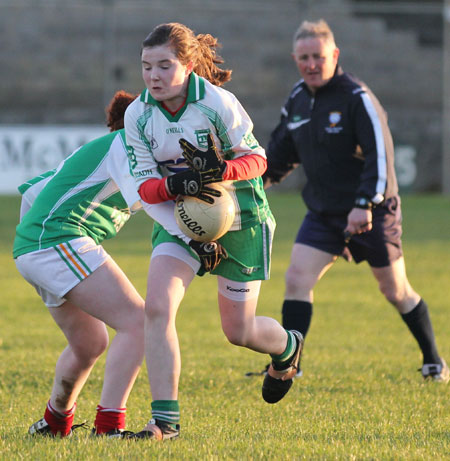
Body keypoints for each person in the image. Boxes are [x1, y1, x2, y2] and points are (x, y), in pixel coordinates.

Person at [124, 22, 304, 439]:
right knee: (157, 308)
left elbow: (257, 161)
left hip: (239, 218)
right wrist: (174, 187)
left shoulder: (218, 103)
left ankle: (288, 347)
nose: (153, 76)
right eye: (146, 66)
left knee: (237, 332)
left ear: (187, 66)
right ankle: (164, 423)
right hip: (179, 219)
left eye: (164, 65)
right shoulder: (138, 114)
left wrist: (222, 169)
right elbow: (145, 188)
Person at [258, 19, 448, 383]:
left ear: (335, 55)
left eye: (318, 56)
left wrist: (364, 203)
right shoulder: (297, 99)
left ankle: (434, 362)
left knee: (394, 290)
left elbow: (381, 155)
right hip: (324, 212)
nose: (311, 64)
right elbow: (281, 152)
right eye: (303, 58)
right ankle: (289, 365)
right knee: (297, 278)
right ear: (294, 59)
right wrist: (258, 181)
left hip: (372, 210)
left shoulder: (357, 97)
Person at [14, 91, 146, 438]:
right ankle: (109, 429)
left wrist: (31, 251)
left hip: (39, 246)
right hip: (54, 242)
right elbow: (159, 200)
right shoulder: (128, 147)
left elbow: (31, 193)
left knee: (90, 343)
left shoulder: (93, 153)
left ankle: (54, 423)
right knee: (139, 322)